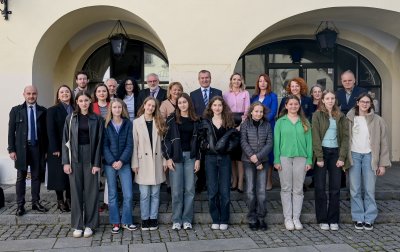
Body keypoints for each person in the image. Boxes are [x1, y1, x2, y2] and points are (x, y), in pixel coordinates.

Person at [62, 91, 104, 238]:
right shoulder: (71, 118)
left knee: (92, 192)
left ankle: (90, 225)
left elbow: (100, 142)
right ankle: (78, 225)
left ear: (90, 102)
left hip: (91, 157)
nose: (84, 103)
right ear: (77, 102)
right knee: (76, 192)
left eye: (86, 100)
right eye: (81, 101)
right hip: (74, 157)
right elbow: (65, 141)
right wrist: (66, 162)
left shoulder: (97, 119)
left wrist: (97, 163)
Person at [347, 93, 391, 231]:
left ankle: (369, 218)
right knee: (355, 189)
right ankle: (358, 217)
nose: (365, 104)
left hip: (370, 156)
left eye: (368, 102)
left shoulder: (378, 120)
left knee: (369, 189)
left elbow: (384, 142)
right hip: (354, 155)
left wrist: (382, 164)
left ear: (371, 104)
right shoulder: (349, 118)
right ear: (358, 103)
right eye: (362, 101)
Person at [8, 85, 48, 216]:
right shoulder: (16, 110)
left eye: (34, 94)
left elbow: (46, 133)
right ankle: (20, 205)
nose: (31, 96)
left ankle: (36, 203)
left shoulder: (43, 111)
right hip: (21, 149)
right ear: (24, 94)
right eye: (29, 93)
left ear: (37, 95)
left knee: (36, 176)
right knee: (21, 177)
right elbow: (11, 132)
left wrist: (47, 150)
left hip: (38, 148)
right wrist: (11, 149)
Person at [162, 93, 201, 230]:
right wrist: (168, 158)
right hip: (176, 157)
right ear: (177, 105)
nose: (182, 105)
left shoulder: (196, 120)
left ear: (189, 103)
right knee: (177, 190)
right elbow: (165, 139)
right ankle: (176, 220)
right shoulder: (171, 119)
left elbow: (200, 142)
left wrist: (198, 159)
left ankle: (187, 219)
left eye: (185, 102)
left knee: (189, 189)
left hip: (191, 157)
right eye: (180, 103)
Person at [199, 96, 239, 230]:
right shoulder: (205, 122)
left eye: (219, 105)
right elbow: (201, 139)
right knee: (212, 190)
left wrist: (228, 149)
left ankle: (224, 219)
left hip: (225, 158)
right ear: (211, 107)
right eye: (215, 105)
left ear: (223, 107)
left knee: (225, 191)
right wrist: (206, 146)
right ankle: (215, 218)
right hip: (210, 159)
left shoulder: (228, 120)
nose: (217, 108)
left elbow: (234, 138)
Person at [274, 95, 312, 231]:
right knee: (286, 188)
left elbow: (309, 143)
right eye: (290, 104)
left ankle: (296, 218)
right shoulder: (280, 122)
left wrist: (309, 160)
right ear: (286, 106)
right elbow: (276, 142)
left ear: (299, 105)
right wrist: (276, 159)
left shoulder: (305, 122)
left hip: (301, 158)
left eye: (296, 104)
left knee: (298, 189)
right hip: (284, 158)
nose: (293, 106)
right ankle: (288, 218)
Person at [312, 90, 349, 231]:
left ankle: (333, 219)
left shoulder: (340, 116)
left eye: (332, 98)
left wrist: (342, 157)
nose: (330, 100)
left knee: (335, 189)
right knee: (320, 188)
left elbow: (346, 138)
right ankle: (322, 219)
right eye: (327, 98)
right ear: (322, 100)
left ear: (335, 100)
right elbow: (315, 136)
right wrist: (319, 157)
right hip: (322, 152)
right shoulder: (317, 115)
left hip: (336, 154)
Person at [132, 97, 167, 231]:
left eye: (153, 106)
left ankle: (153, 218)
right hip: (142, 162)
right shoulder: (136, 123)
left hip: (157, 161)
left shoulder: (159, 121)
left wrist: (164, 160)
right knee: (144, 194)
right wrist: (134, 163)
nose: (150, 108)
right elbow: (134, 144)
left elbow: (164, 144)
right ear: (144, 105)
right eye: (149, 105)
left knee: (155, 193)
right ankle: (144, 219)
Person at [103, 99, 137, 234]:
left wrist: (122, 161)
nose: (117, 109)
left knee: (128, 194)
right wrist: (112, 161)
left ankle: (127, 221)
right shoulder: (105, 125)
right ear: (110, 109)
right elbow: (104, 146)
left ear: (122, 109)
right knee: (112, 194)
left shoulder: (128, 124)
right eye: (114, 107)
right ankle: (115, 222)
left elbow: (130, 145)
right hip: (110, 164)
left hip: (124, 163)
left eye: (119, 107)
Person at [240, 102, 273, 231]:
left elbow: (269, 144)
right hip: (248, 161)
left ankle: (261, 217)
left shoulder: (267, 125)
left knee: (261, 192)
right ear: (251, 112)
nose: (258, 114)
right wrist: (253, 158)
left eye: (261, 111)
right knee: (250, 190)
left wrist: (258, 158)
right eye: (256, 111)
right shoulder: (245, 125)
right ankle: (252, 217)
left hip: (263, 161)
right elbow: (243, 142)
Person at [190, 70, 222, 193]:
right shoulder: (193, 94)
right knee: (201, 156)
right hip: (199, 129)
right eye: (202, 78)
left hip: (214, 128)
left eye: (207, 77)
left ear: (210, 78)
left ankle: (212, 183)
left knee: (212, 155)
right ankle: (201, 182)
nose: (204, 80)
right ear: (199, 79)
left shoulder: (218, 92)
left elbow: (220, 108)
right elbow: (193, 112)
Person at [336, 70, 366, 188]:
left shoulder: (362, 92)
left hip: (358, 128)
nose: (347, 82)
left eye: (349, 80)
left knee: (354, 155)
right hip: (342, 127)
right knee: (342, 153)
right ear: (341, 82)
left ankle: (356, 185)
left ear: (354, 81)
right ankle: (342, 183)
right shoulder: (338, 94)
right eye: (345, 81)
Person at [47, 85, 74, 213]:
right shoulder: (52, 110)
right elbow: (50, 130)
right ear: (58, 95)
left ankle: (69, 198)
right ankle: (60, 200)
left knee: (70, 174)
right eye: (62, 92)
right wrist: (55, 148)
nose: (64, 94)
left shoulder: (75, 108)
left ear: (71, 94)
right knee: (58, 175)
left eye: (67, 91)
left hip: (73, 148)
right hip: (57, 148)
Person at [223, 73, 250, 193]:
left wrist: (240, 126)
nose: (236, 81)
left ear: (241, 81)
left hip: (241, 123)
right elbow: (223, 111)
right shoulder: (225, 94)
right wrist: (228, 125)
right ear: (231, 81)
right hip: (229, 123)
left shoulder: (245, 93)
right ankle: (234, 180)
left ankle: (240, 183)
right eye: (234, 79)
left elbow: (248, 111)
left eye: (239, 79)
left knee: (239, 156)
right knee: (231, 155)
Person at [250, 73, 278, 190]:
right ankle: (259, 180)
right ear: (258, 83)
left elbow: (273, 112)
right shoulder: (254, 97)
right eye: (260, 81)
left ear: (268, 83)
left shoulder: (273, 96)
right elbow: (251, 111)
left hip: (268, 126)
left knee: (269, 154)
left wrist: (260, 118)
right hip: (255, 128)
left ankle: (269, 180)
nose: (262, 83)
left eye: (265, 81)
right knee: (258, 151)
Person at [91, 83, 110, 212]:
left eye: (104, 91)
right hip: (94, 143)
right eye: (99, 91)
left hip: (109, 143)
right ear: (96, 94)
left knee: (109, 175)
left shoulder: (113, 105)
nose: (102, 93)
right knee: (94, 174)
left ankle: (107, 202)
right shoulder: (91, 106)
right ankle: (93, 202)